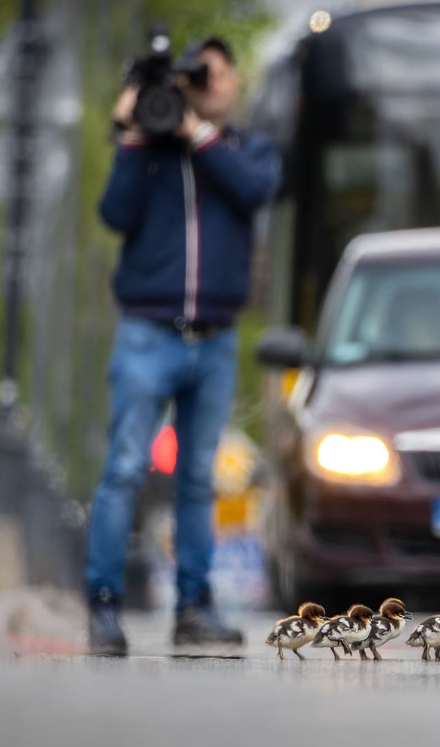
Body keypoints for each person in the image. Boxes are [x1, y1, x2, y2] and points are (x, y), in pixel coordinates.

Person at [87, 36, 281, 654]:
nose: (206, 84)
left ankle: (194, 608)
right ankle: (104, 607)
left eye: (214, 75)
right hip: (148, 333)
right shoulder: (149, 155)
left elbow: (255, 190)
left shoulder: (246, 150)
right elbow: (114, 216)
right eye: (195, 75)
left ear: (233, 84)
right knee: (123, 470)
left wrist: (197, 133)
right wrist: (133, 136)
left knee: (199, 478)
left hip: (216, 339)